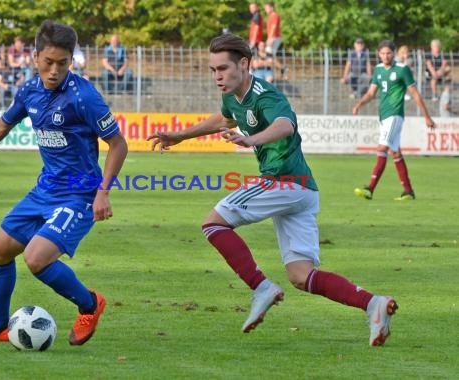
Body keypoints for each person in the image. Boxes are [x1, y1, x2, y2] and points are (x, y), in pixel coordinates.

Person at [147, 33, 398, 347]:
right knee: (301, 274)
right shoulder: (231, 96)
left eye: (223, 68)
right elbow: (223, 119)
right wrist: (181, 135)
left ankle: (260, 287)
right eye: (213, 70)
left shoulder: (265, 95)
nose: (217, 76)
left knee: (213, 223)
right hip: (303, 191)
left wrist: (252, 139)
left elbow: (285, 125)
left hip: (283, 181)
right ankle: (373, 304)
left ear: (244, 63)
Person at [0, 20, 128, 345]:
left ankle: (91, 305)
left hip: (79, 195)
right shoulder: (29, 90)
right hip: (45, 190)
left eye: (62, 64)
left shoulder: (84, 97)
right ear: (35, 56)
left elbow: (118, 144)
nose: (54, 71)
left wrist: (103, 192)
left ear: (71, 61)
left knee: (36, 259)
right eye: (48, 62)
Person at [353, 40, 435, 201]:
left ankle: (370, 188)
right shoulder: (377, 70)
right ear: (378, 54)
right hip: (383, 116)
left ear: (394, 52)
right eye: (382, 53)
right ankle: (408, 191)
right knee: (395, 152)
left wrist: (427, 116)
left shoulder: (402, 70)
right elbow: (371, 93)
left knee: (382, 148)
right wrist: (359, 104)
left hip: (395, 114)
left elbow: (415, 94)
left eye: (388, 53)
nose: (385, 56)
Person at [264, 2, 286, 77]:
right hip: (273, 37)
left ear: (271, 7)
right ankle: (281, 68)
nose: (265, 9)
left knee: (269, 55)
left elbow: (274, 27)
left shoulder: (275, 16)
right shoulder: (271, 16)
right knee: (269, 55)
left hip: (274, 38)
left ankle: (279, 69)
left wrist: (270, 38)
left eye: (267, 8)